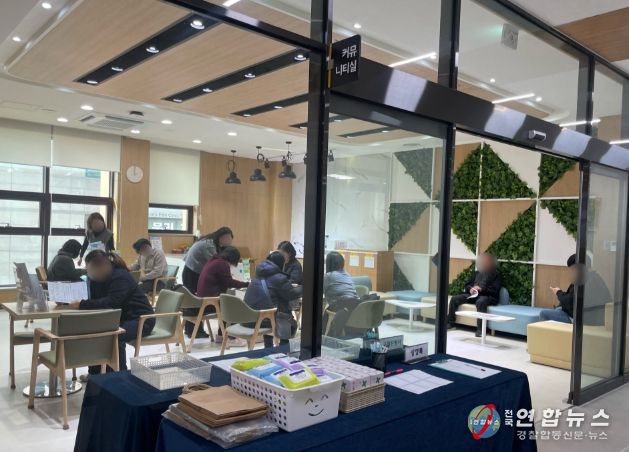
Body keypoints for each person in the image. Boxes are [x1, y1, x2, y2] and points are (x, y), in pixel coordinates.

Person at [66, 250, 154, 376]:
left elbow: (112, 302)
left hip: (141, 320)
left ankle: (118, 374)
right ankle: (95, 375)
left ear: (102, 267)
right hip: (118, 318)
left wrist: (82, 304)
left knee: (113, 335)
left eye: (90, 270)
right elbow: (96, 301)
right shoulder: (96, 279)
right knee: (96, 333)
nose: (88, 273)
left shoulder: (120, 277)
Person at [187, 246, 248, 343]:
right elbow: (229, 283)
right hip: (209, 303)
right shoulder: (222, 264)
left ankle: (222, 335)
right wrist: (247, 284)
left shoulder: (213, 261)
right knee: (232, 306)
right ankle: (229, 337)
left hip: (201, 301)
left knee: (227, 304)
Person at [244, 251, 302, 347]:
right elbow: (291, 294)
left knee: (270, 306)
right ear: (282, 264)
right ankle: (283, 347)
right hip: (264, 320)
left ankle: (268, 346)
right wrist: (303, 287)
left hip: (247, 318)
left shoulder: (257, 275)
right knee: (284, 312)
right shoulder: (279, 278)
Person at [447, 253, 502, 337]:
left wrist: (481, 289)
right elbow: (467, 285)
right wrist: (471, 289)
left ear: (492, 263)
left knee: (481, 301)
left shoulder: (496, 275)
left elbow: (495, 290)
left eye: (486, 261)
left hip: (488, 297)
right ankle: (450, 323)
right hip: (474, 295)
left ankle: (481, 329)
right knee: (455, 298)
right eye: (483, 261)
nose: (484, 263)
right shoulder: (476, 273)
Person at [182, 227, 233, 294]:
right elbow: (216, 264)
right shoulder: (209, 244)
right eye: (228, 240)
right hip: (192, 275)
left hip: (191, 272)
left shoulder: (210, 240)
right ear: (222, 237)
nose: (229, 243)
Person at [322, 251, 360, 337]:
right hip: (355, 305)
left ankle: (324, 335)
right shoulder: (346, 274)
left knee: (327, 311)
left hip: (341, 305)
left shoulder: (329, 276)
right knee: (327, 309)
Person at [539, 254, 577, 324]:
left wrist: (558, 292)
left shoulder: (580, 281)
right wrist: (559, 292)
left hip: (575, 318)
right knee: (559, 308)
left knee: (543, 313)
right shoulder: (590, 278)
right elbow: (571, 297)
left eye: (571, 269)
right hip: (572, 313)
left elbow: (569, 301)